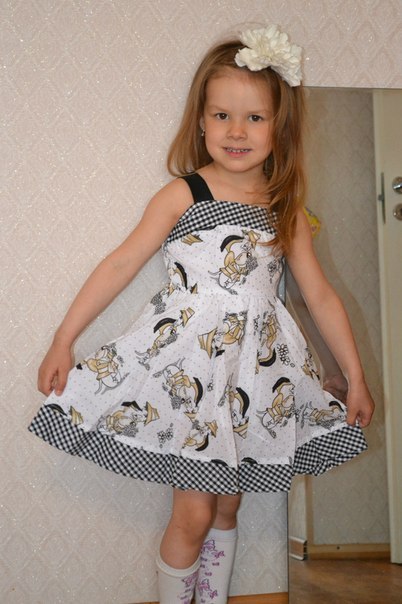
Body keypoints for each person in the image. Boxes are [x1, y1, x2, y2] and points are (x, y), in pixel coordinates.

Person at [28, 25, 375, 604]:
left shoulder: (286, 209)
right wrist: (64, 338)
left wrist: (355, 376)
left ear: (279, 128)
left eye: (255, 118)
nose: (236, 131)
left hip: (253, 377)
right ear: (201, 122)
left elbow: (319, 296)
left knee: (229, 503)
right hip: (190, 375)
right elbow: (120, 264)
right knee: (192, 512)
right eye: (222, 116)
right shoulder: (182, 195)